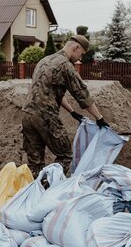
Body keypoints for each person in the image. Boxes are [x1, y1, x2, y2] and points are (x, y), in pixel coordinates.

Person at [21, 34, 109, 178]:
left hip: (27, 115)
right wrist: (99, 117)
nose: (80, 58)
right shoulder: (65, 66)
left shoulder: (45, 60)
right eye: (81, 54)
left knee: (35, 163)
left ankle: (35, 193)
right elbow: (83, 96)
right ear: (76, 48)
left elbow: (52, 92)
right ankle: (49, 186)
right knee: (66, 155)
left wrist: (73, 112)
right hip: (45, 117)